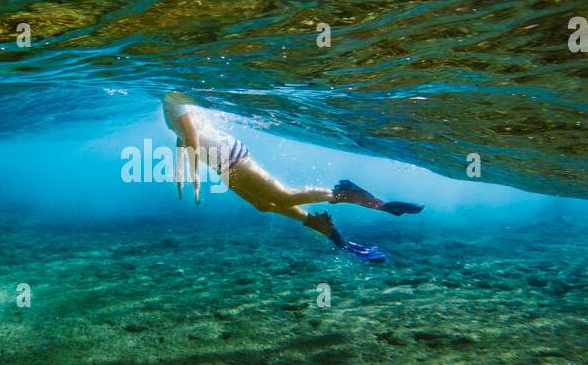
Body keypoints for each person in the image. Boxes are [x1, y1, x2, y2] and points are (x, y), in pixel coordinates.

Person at [162, 91, 422, 262]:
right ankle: (320, 224)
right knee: (263, 205)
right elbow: (182, 138)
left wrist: (194, 176)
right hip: (220, 164)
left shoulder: (171, 97)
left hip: (229, 154)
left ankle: (346, 195)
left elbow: (193, 137)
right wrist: (180, 171)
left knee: (283, 196)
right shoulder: (169, 101)